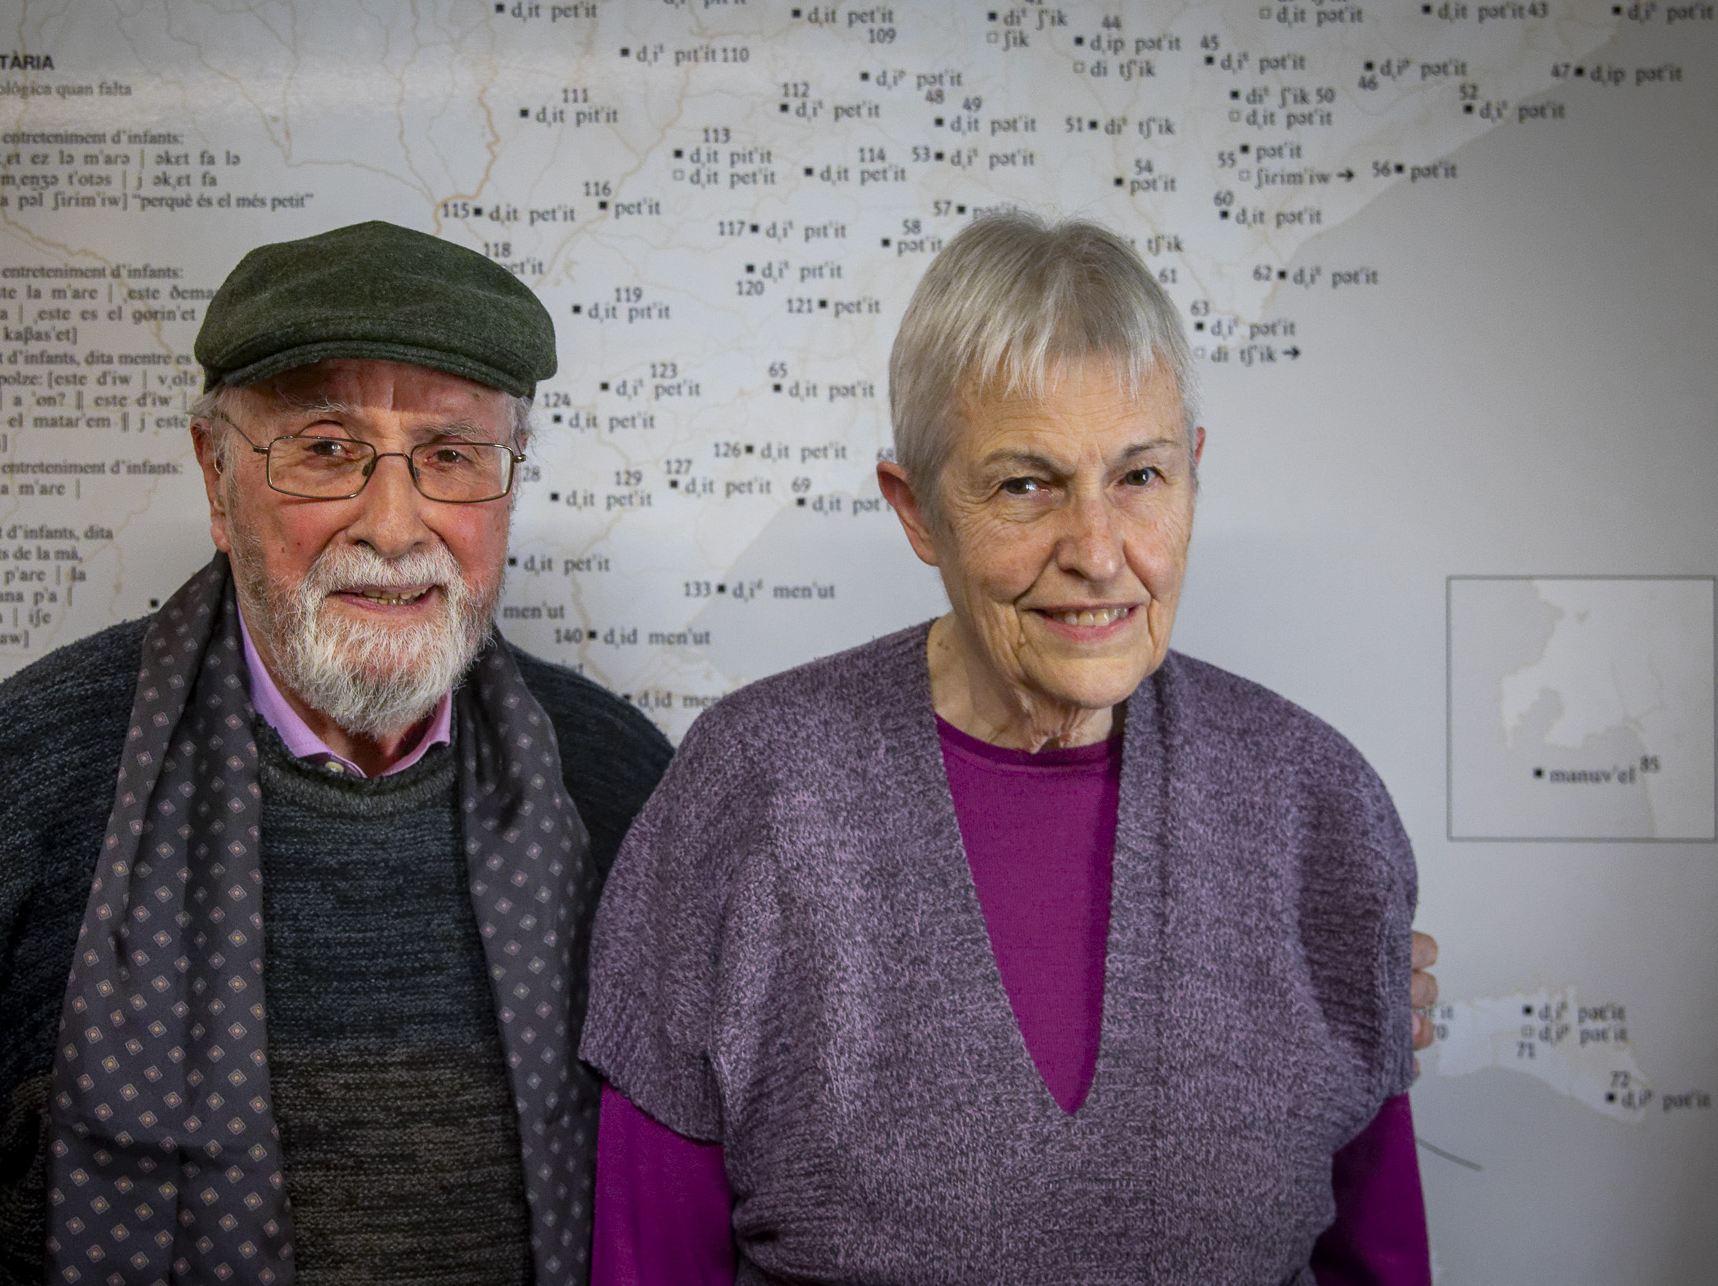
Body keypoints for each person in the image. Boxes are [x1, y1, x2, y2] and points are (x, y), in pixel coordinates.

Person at [0, 221, 673, 1286]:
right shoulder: (4, 795)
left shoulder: (618, 784)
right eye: (325, 449)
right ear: (214, 474)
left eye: (450, 456)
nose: (391, 522)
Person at [581, 211, 1436, 1284]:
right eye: (1023, 485)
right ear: (916, 509)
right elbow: (646, 1259)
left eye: (1138, 477)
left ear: (1192, 477)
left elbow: (1381, 1259)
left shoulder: (1316, 807)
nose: (1094, 552)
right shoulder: (749, 792)